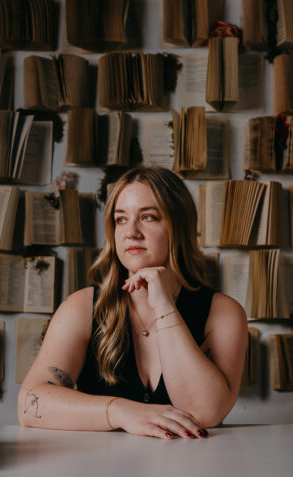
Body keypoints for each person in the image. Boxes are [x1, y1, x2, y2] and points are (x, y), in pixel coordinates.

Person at [17, 166, 248, 439]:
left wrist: (164, 307)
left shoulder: (223, 313)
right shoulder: (80, 307)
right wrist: (120, 411)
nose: (131, 232)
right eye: (121, 219)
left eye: (148, 217)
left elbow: (206, 412)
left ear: (179, 226)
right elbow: (29, 405)